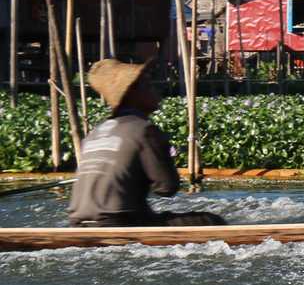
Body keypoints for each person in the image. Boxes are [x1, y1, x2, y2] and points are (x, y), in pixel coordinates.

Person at [68, 59, 227, 228]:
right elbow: (166, 187)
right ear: (132, 93)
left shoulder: (94, 133)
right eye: (147, 85)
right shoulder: (145, 130)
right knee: (211, 221)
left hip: (77, 223)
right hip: (120, 223)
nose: (155, 90)